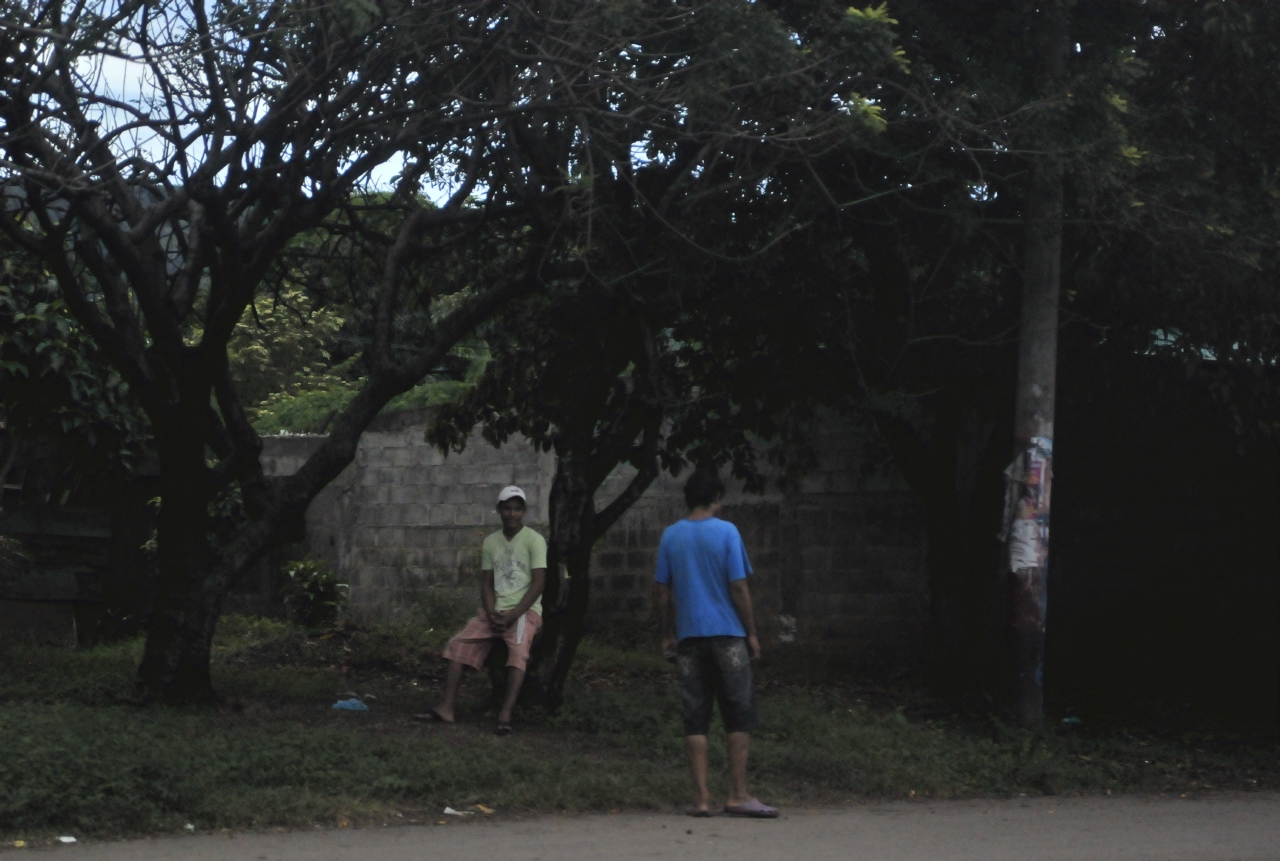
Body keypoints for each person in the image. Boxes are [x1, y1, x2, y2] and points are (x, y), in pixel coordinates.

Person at [654, 470, 778, 818]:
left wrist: (667, 633)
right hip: (727, 637)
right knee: (738, 714)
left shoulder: (670, 536)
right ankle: (737, 794)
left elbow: (662, 592)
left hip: (689, 639)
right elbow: (738, 587)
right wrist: (751, 632)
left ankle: (702, 798)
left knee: (696, 718)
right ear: (716, 498)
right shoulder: (727, 531)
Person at [415, 485, 545, 735]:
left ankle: (505, 714)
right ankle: (447, 708)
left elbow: (539, 583)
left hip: (523, 613)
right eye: (507, 508)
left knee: (518, 653)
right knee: (456, 645)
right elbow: (486, 583)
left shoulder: (534, 540)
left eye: (518, 509)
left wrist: (513, 614)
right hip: (495, 612)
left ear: (524, 511)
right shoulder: (491, 542)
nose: (512, 514)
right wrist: (492, 612)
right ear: (499, 510)